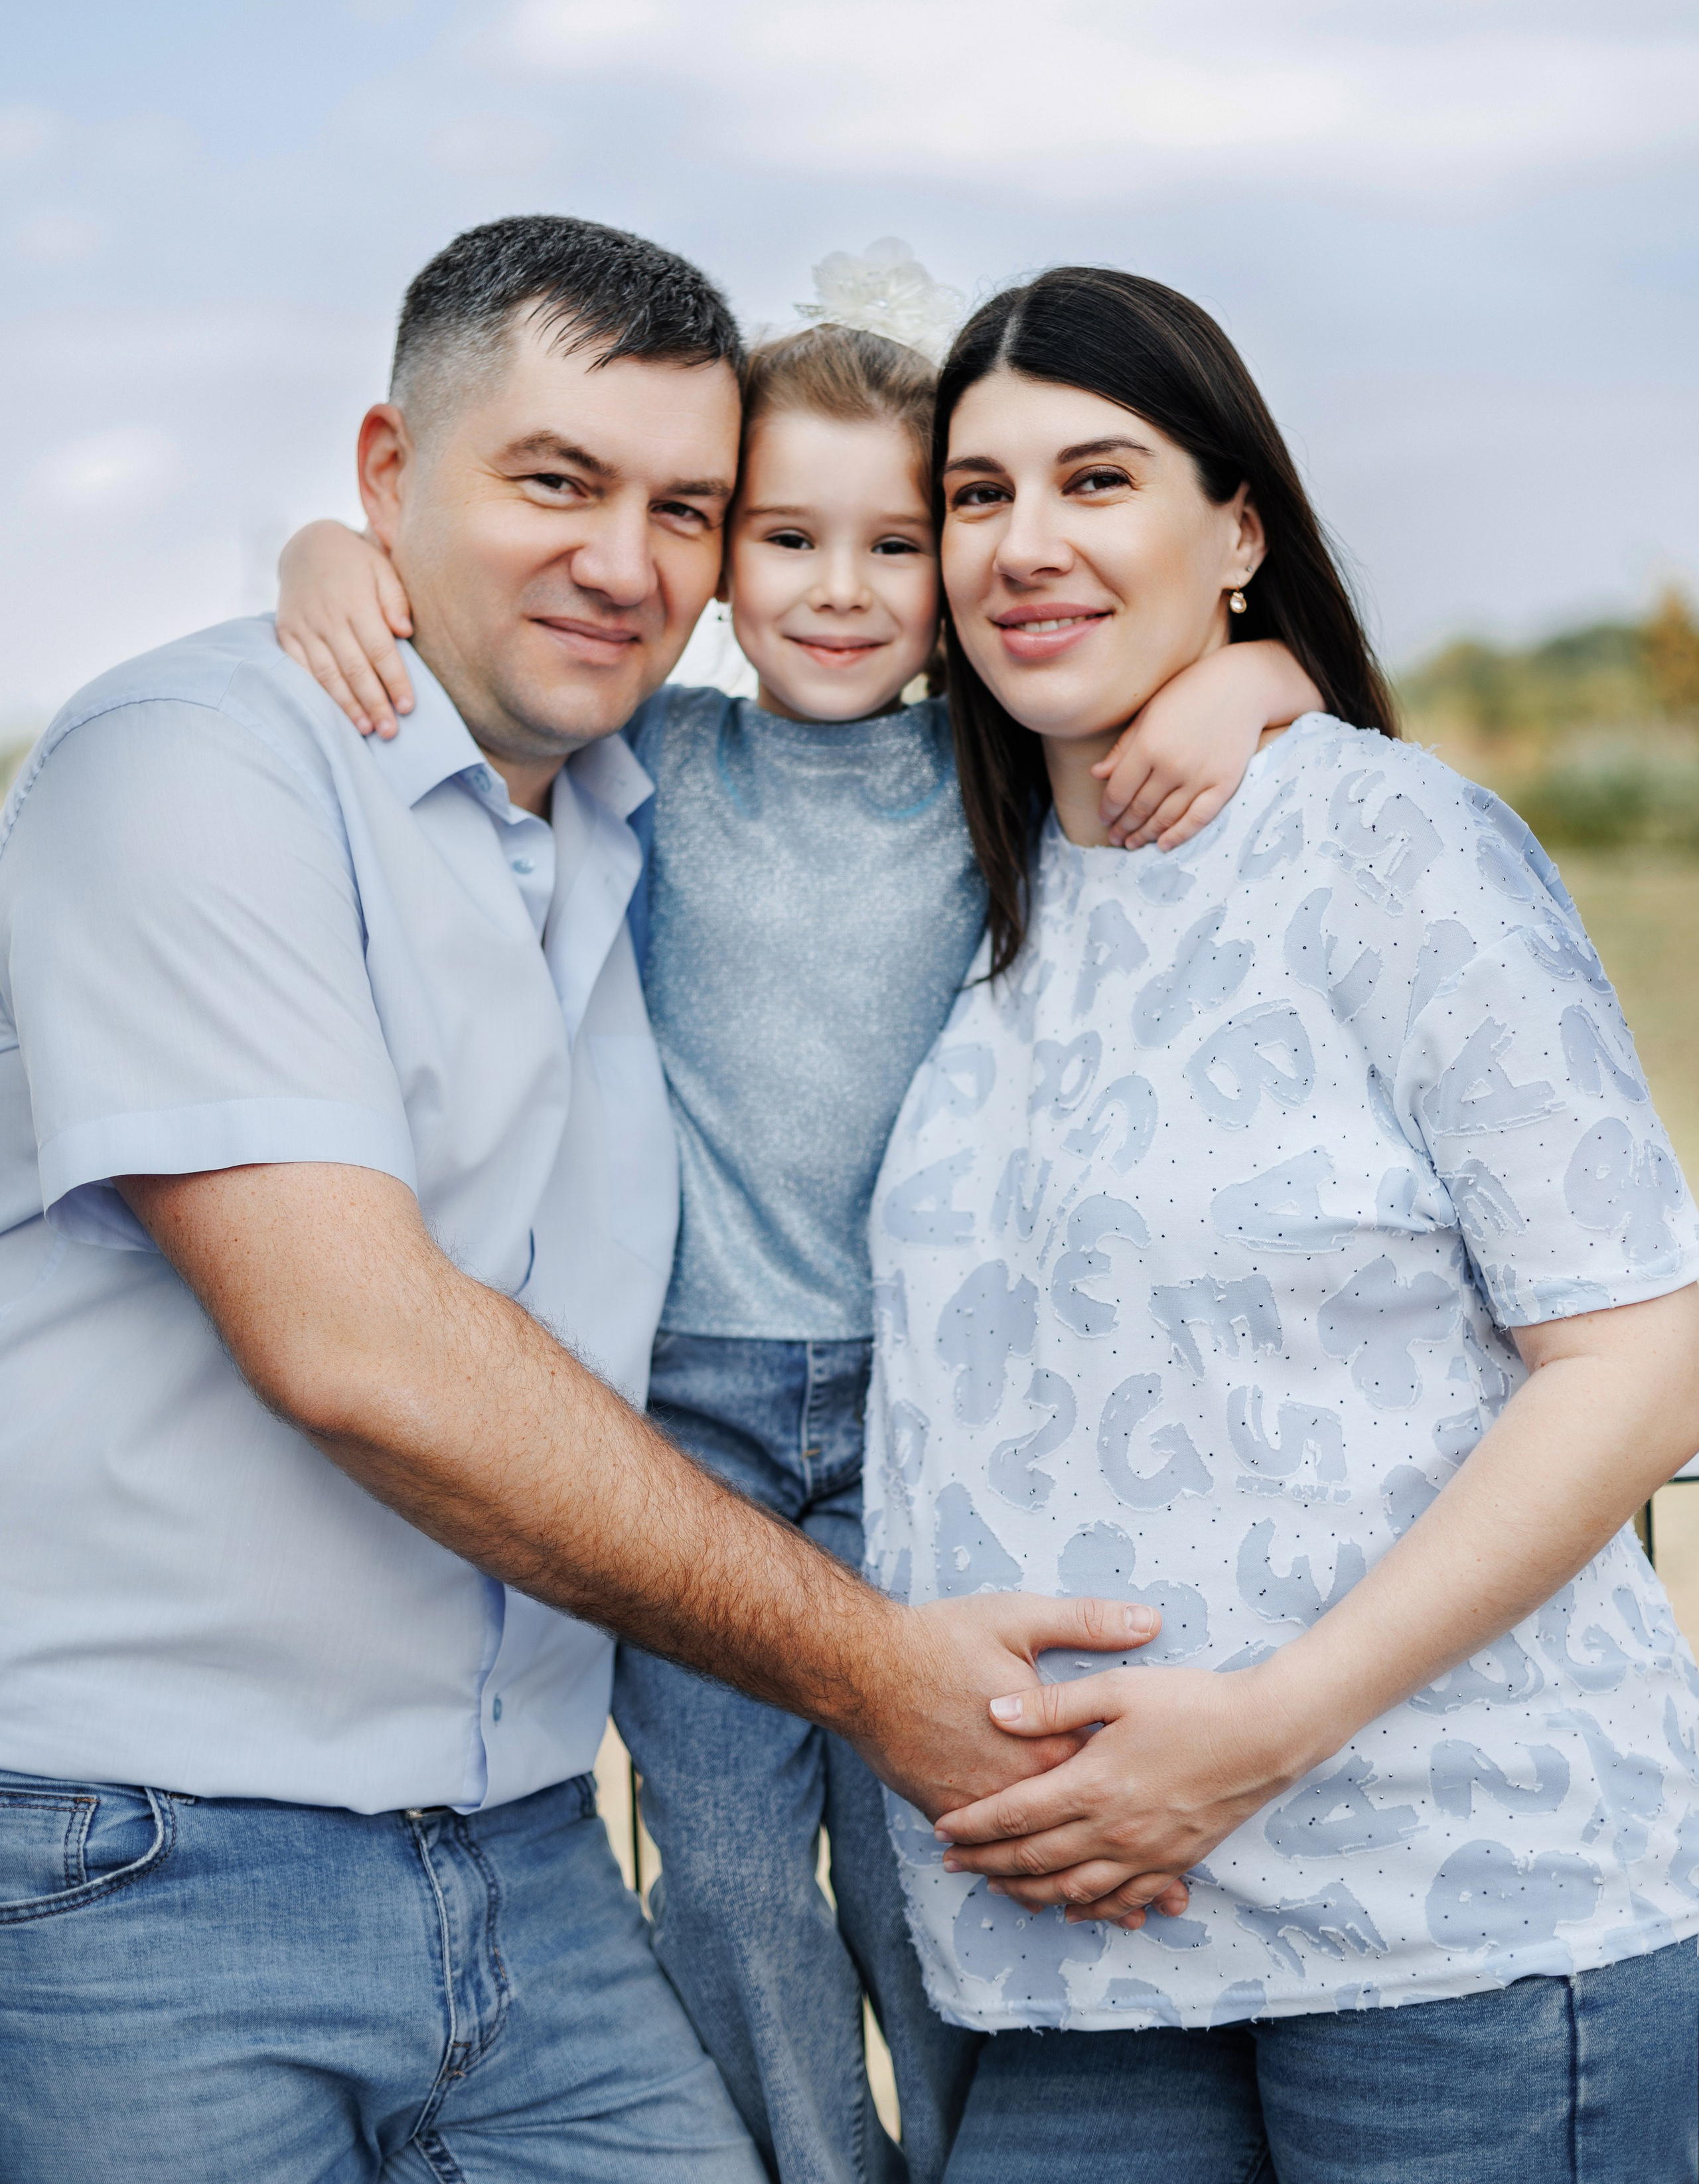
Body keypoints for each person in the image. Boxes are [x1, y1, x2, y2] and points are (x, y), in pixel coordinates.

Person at [0, 217, 1168, 2184]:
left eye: (682, 509)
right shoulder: (198, 765)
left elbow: (1081, 690)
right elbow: (357, 1350)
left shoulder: (621, 805)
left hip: (529, 1861)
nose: (625, 561)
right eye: (553, 482)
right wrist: (872, 1665)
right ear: (386, 475)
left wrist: (1244, 675)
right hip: (155, 1852)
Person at [275, 257, 1322, 2184]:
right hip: (690, 1424)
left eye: (894, 541)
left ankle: (976, 2158)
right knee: (738, 1878)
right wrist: (324, 563)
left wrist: (1263, 672)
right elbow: (421, 631)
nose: (838, 591)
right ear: (719, 554)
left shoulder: (1005, 776)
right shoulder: (644, 756)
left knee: (941, 1868)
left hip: (941, 1420)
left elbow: (1220, 677)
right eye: (781, 536)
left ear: (953, 569)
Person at [864, 266, 1699, 2183]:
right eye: (976, 498)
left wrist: (1263, 1727)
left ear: (1237, 531)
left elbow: (1644, 1353)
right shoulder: (973, 899)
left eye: (1098, 478)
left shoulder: (1386, 844)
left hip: (1460, 1916)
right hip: (1092, 1947)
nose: (1027, 543)